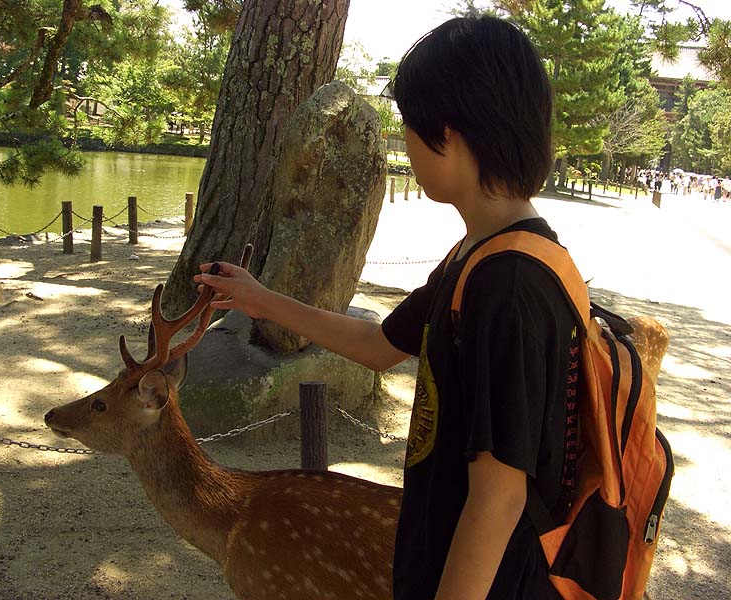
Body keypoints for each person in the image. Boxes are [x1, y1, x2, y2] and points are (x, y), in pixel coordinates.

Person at [195, 14, 573, 600]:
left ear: (446, 133)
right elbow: (380, 347)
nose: (407, 146)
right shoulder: (477, 257)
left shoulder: (511, 285)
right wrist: (257, 298)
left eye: (409, 128)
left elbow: (499, 495)